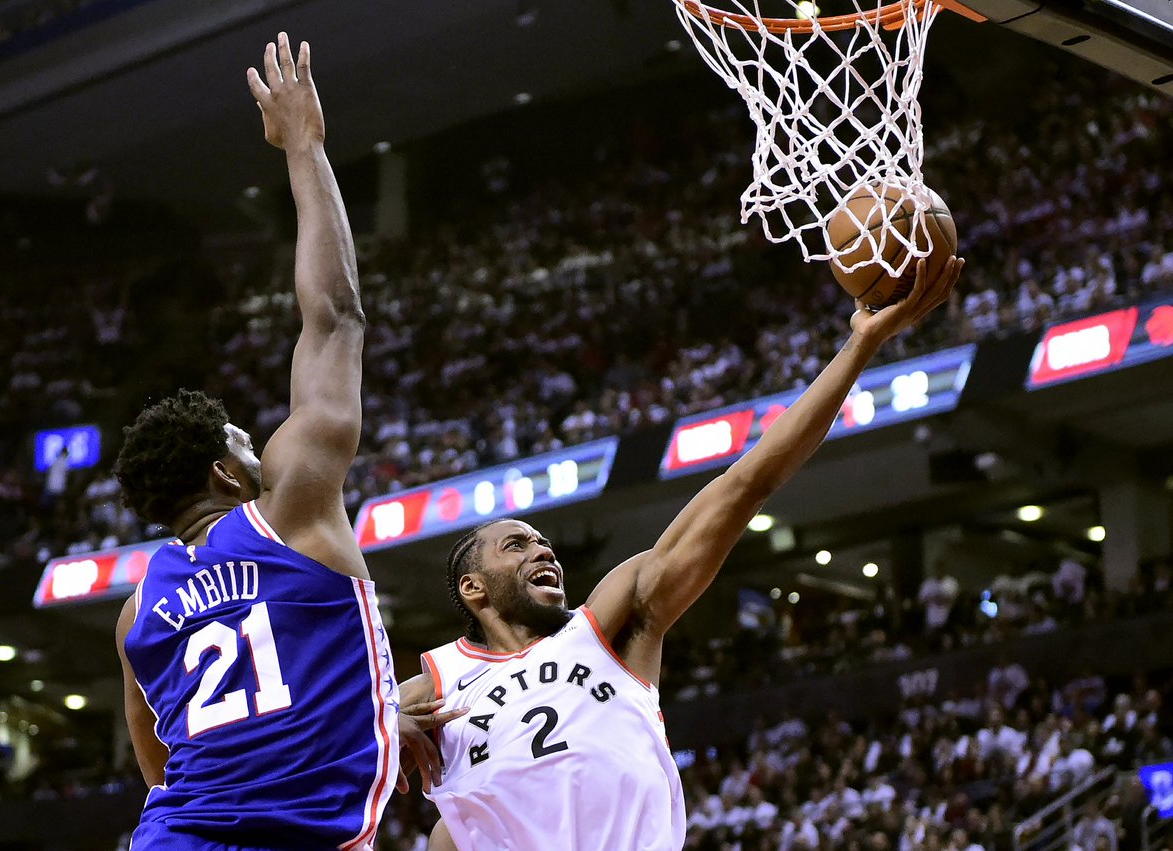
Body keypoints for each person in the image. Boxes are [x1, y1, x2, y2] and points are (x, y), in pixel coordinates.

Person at [400, 257, 963, 850]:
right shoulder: (439, 682)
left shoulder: (611, 624)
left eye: (544, 543)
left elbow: (745, 484)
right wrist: (380, 731)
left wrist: (860, 346)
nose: (543, 551)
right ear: (473, 587)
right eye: (516, 545)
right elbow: (335, 736)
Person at [113, 34, 455, 851]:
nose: (259, 445)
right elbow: (335, 319)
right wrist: (305, 145)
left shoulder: (137, 609)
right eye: (243, 438)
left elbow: (162, 765)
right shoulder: (289, 510)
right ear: (225, 471)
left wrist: (369, 711)